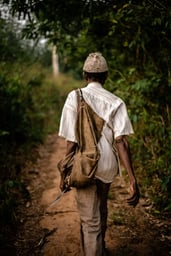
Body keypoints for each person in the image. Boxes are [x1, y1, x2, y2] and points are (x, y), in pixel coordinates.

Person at [58, 52, 140, 256]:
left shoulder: (74, 97)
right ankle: (100, 249)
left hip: (84, 165)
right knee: (101, 207)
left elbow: (71, 142)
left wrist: (64, 174)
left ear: (85, 75)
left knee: (90, 221)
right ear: (106, 76)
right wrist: (132, 179)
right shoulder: (116, 101)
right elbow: (121, 142)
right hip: (108, 165)